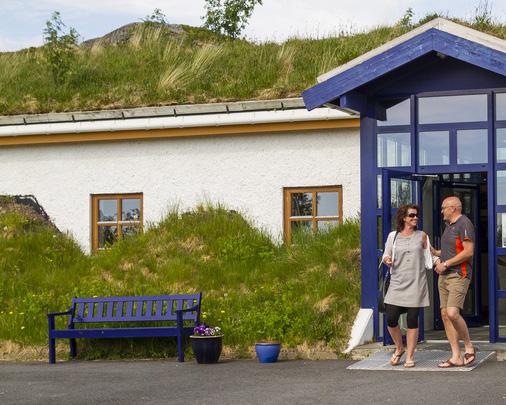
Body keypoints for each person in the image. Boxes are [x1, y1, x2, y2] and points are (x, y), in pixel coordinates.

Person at [382, 204, 430, 368]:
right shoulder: (393, 236)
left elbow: (429, 255)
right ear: (403, 218)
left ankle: (410, 355)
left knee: (412, 320)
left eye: (416, 215)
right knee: (391, 318)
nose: (415, 218)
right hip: (397, 283)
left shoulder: (422, 236)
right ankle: (399, 347)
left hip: (416, 283)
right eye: (411, 215)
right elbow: (386, 254)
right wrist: (387, 259)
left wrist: (442, 261)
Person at [431, 196, 476, 368]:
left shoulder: (465, 223)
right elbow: (451, 250)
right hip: (444, 275)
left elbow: (468, 252)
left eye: (444, 208)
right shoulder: (448, 226)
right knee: (444, 315)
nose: (441, 211)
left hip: (458, 274)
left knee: (452, 313)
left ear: (454, 208)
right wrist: (436, 252)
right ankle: (456, 356)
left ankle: (469, 347)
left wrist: (446, 264)